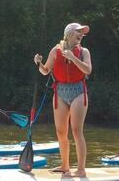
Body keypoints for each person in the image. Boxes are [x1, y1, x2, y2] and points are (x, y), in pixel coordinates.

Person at [33, 23, 92, 177]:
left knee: (76, 131)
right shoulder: (55, 50)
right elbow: (45, 71)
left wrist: (73, 57)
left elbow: (88, 70)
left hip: (78, 91)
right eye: (78, 32)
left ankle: (81, 169)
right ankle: (65, 166)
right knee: (60, 131)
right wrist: (39, 63)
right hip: (60, 92)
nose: (81, 35)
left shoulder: (84, 51)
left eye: (82, 33)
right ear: (69, 34)